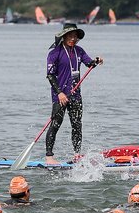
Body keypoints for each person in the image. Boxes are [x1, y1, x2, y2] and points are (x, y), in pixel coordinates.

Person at [44, 23, 104, 166]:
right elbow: (50, 76)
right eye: (70, 36)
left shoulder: (79, 51)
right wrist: (59, 93)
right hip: (60, 96)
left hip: (75, 95)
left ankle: (77, 155)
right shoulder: (54, 53)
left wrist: (96, 61)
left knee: (77, 125)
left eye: (75, 36)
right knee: (55, 124)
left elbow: (89, 63)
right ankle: (49, 157)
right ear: (64, 37)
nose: (73, 39)